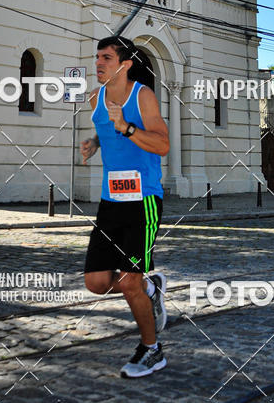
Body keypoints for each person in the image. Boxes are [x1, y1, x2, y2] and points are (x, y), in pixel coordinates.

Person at [81, 36, 170, 378]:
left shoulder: (142, 96)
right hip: (110, 201)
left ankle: (151, 349)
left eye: (106, 57)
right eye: (97, 57)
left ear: (125, 63)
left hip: (143, 200)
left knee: (129, 282)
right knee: (96, 282)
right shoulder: (96, 99)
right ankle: (152, 289)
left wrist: (127, 128)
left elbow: (162, 144)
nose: (98, 63)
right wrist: (96, 142)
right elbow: (107, 130)